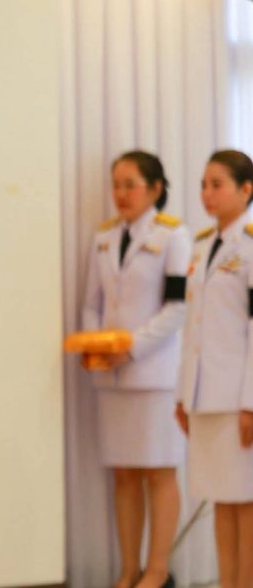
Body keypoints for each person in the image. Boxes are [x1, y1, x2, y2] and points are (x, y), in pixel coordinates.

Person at [81, 151, 189, 588]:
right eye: (116, 184)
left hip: (155, 376)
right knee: (123, 473)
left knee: (159, 471)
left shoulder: (173, 235)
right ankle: (129, 569)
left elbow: (177, 308)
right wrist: (97, 346)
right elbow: (91, 304)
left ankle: (157, 569)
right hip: (110, 377)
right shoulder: (104, 237)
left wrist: (129, 348)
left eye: (131, 184)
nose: (121, 194)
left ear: (155, 189)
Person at [176, 149, 253, 588]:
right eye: (203, 185)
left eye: (217, 184)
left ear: (246, 189)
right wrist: (181, 395)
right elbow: (193, 326)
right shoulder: (203, 245)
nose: (207, 193)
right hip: (204, 395)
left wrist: (250, 403)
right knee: (221, 499)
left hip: (238, 396)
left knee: (247, 502)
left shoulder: (251, 246)